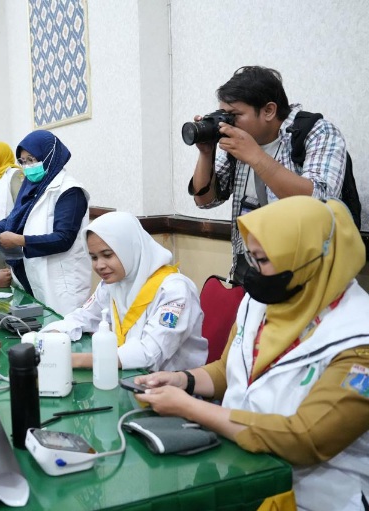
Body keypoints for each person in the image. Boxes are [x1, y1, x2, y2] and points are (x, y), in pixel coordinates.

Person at [136, 196, 369, 511]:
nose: (251, 271)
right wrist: (183, 380)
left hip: (316, 496)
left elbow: (306, 437)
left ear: (309, 259)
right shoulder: (264, 301)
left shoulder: (358, 339)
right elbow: (229, 370)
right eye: (251, 256)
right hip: (243, 473)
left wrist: (191, 408)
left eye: (263, 260)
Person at [188, 66, 348, 283]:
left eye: (234, 115)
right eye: (224, 114)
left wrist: (256, 156)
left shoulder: (317, 132)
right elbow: (205, 201)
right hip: (250, 268)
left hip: (306, 274)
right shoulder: (237, 141)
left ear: (269, 111)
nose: (227, 123)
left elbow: (319, 203)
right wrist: (206, 153)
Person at [43, 212, 207, 372]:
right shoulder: (112, 284)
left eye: (107, 255)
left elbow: (150, 353)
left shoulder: (175, 291)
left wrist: (76, 360)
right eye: (93, 257)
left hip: (173, 390)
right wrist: (50, 336)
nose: (99, 265)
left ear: (130, 248)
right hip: (128, 378)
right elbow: (83, 317)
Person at [0, 130, 90, 315]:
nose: (28, 166)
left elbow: (64, 238)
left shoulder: (70, 191)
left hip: (61, 284)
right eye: (23, 161)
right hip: (33, 276)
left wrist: (20, 241)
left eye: (33, 159)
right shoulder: (31, 187)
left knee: (64, 336)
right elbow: (16, 218)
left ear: (50, 156)